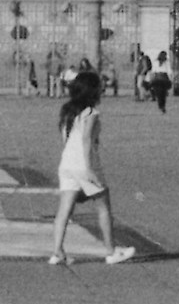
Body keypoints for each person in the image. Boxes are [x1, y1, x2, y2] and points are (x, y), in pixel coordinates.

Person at [47, 70, 136, 266]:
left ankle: (57, 251)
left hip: (67, 163)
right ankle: (111, 251)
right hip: (84, 163)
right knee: (103, 206)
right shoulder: (91, 113)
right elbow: (86, 139)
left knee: (64, 209)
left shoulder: (68, 111)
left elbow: (66, 138)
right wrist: (89, 169)